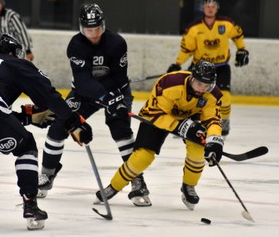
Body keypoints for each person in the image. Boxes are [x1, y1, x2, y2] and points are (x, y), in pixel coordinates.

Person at [0, 33, 93, 230]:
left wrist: (27, 118)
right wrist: (72, 122)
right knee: (26, 147)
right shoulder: (15, 63)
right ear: (12, 52)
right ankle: (30, 203)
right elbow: (47, 95)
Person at [37, 3, 151, 207]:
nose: (94, 33)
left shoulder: (117, 43)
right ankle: (47, 175)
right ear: (81, 28)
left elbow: (118, 77)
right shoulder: (76, 45)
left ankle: (137, 180)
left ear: (103, 25)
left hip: (117, 90)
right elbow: (83, 81)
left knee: (121, 129)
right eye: (89, 29)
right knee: (59, 126)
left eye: (97, 28)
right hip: (84, 94)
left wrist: (113, 99)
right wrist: (104, 97)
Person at [95, 60, 224, 211]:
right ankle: (114, 186)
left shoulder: (213, 95)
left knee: (197, 151)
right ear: (192, 79)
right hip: (157, 116)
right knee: (143, 156)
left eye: (206, 86)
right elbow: (158, 114)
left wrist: (214, 141)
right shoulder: (170, 83)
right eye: (199, 84)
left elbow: (213, 120)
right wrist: (182, 127)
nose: (202, 89)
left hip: (190, 117)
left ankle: (189, 186)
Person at [167, 0, 249, 138]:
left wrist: (242, 49)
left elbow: (238, 35)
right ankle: (186, 122)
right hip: (200, 69)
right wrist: (178, 64)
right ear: (203, 8)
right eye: (207, 6)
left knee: (225, 97)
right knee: (191, 96)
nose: (210, 9)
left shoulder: (226, 24)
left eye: (213, 6)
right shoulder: (194, 28)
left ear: (217, 9)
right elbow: (187, 49)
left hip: (221, 66)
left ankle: (224, 122)